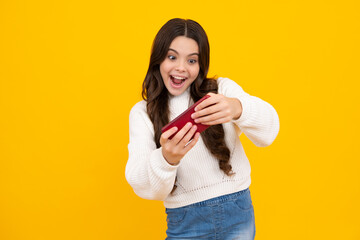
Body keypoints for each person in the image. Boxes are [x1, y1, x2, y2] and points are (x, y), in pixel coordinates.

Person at [125, 18, 279, 240]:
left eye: (192, 60)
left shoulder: (221, 90)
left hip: (238, 212)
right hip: (185, 222)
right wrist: (166, 159)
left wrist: (238, 108)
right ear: (158, 60)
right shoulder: (142, 113)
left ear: (201, 64)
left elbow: (269, 133)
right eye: (172, 57)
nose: (181, 67)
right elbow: (142, 185)